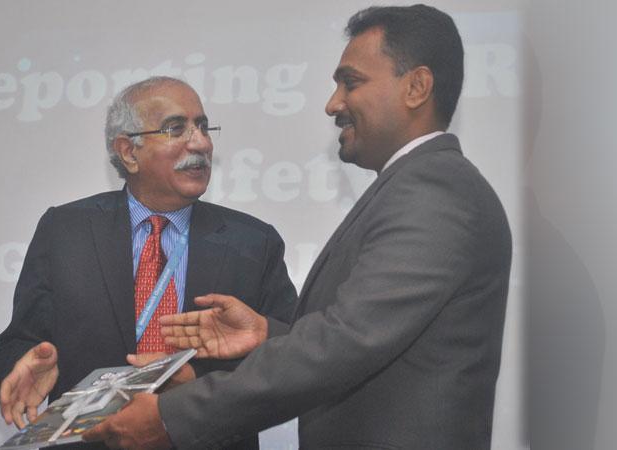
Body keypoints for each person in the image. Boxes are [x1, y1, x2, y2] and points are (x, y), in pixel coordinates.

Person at [83, 5, 512, 450]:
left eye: (352, 82)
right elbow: (365, 338)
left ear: (417, 87)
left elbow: (344, 345)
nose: (334, 103)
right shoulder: (415, 185)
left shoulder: (434, 192)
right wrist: (268, 336)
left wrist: (172, 417)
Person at [0, 76, 297, 450]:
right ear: (128, 152)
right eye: (175, 128)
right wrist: (24, 367)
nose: (200, 142)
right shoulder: (65, 230)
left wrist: (194, 379)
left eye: (202, 126)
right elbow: (18, 343)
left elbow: (289, 359)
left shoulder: (253, 242)